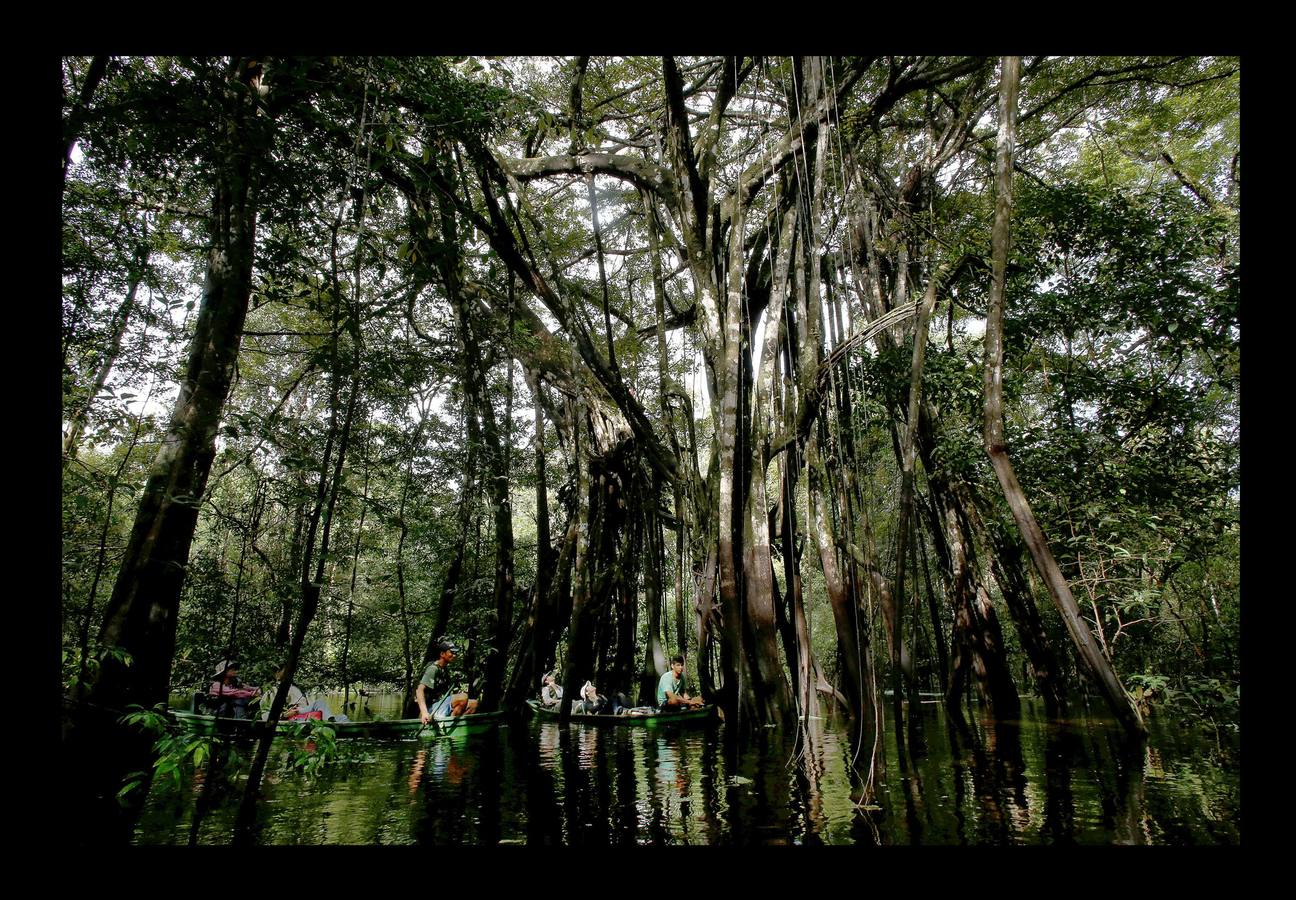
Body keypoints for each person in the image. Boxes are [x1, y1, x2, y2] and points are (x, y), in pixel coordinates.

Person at [416, 641, 478, 723]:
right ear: (442, 654)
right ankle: (448, 724)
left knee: (474, 704)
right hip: (431, 710)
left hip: (440, 706)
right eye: (452, 652)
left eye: (455, 653)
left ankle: (452, 724)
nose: (454, 655)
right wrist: (424, 713)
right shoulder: (433, 669)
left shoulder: (444, 670)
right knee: (463, 697)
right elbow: (419, 690)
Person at [262, 667, 348, 722]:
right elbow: (265, 716)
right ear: (276, 674)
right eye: (282, 670)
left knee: (342, 717)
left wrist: (296, 709)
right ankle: (329, 722)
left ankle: (330, 720)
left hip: (301, 714)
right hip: (292, 719)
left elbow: (303, 706)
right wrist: (285, 715)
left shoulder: (293, 689)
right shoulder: (269, 693)